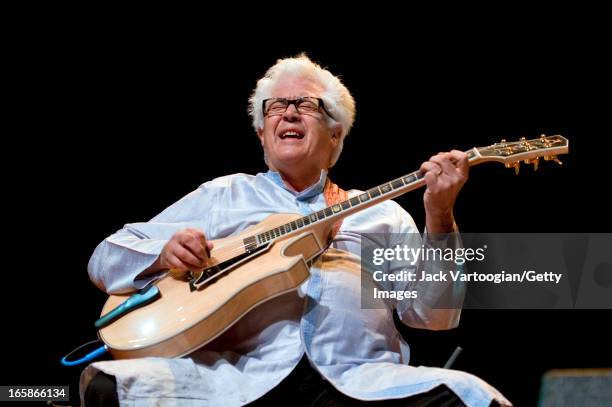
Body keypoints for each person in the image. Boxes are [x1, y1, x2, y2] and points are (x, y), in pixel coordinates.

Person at [82, 54, 511, 406]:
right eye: (275, 106)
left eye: (307, 105)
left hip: (359, 381)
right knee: (111, 383)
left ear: (335, 131)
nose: (288, 112)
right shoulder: (225, 195)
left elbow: (435, 316)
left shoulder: (381, 214)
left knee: (473, 396)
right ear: (262, 133)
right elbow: (107, 256)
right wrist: (165, 252)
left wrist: (439, 215)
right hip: (240, 377)